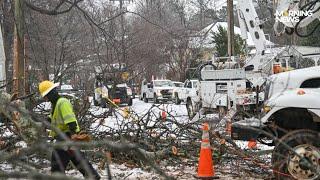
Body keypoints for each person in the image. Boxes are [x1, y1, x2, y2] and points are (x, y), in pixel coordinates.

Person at [38, 80, 100, 179]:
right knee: (78, 159)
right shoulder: (56, 104)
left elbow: (70, 119)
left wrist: (73, 134)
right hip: (66, 137)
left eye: (45, 96)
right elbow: (52, 118)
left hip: (66, 137)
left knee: (57, 166)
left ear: (50, 94)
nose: (45, 99)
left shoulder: (62, 102)